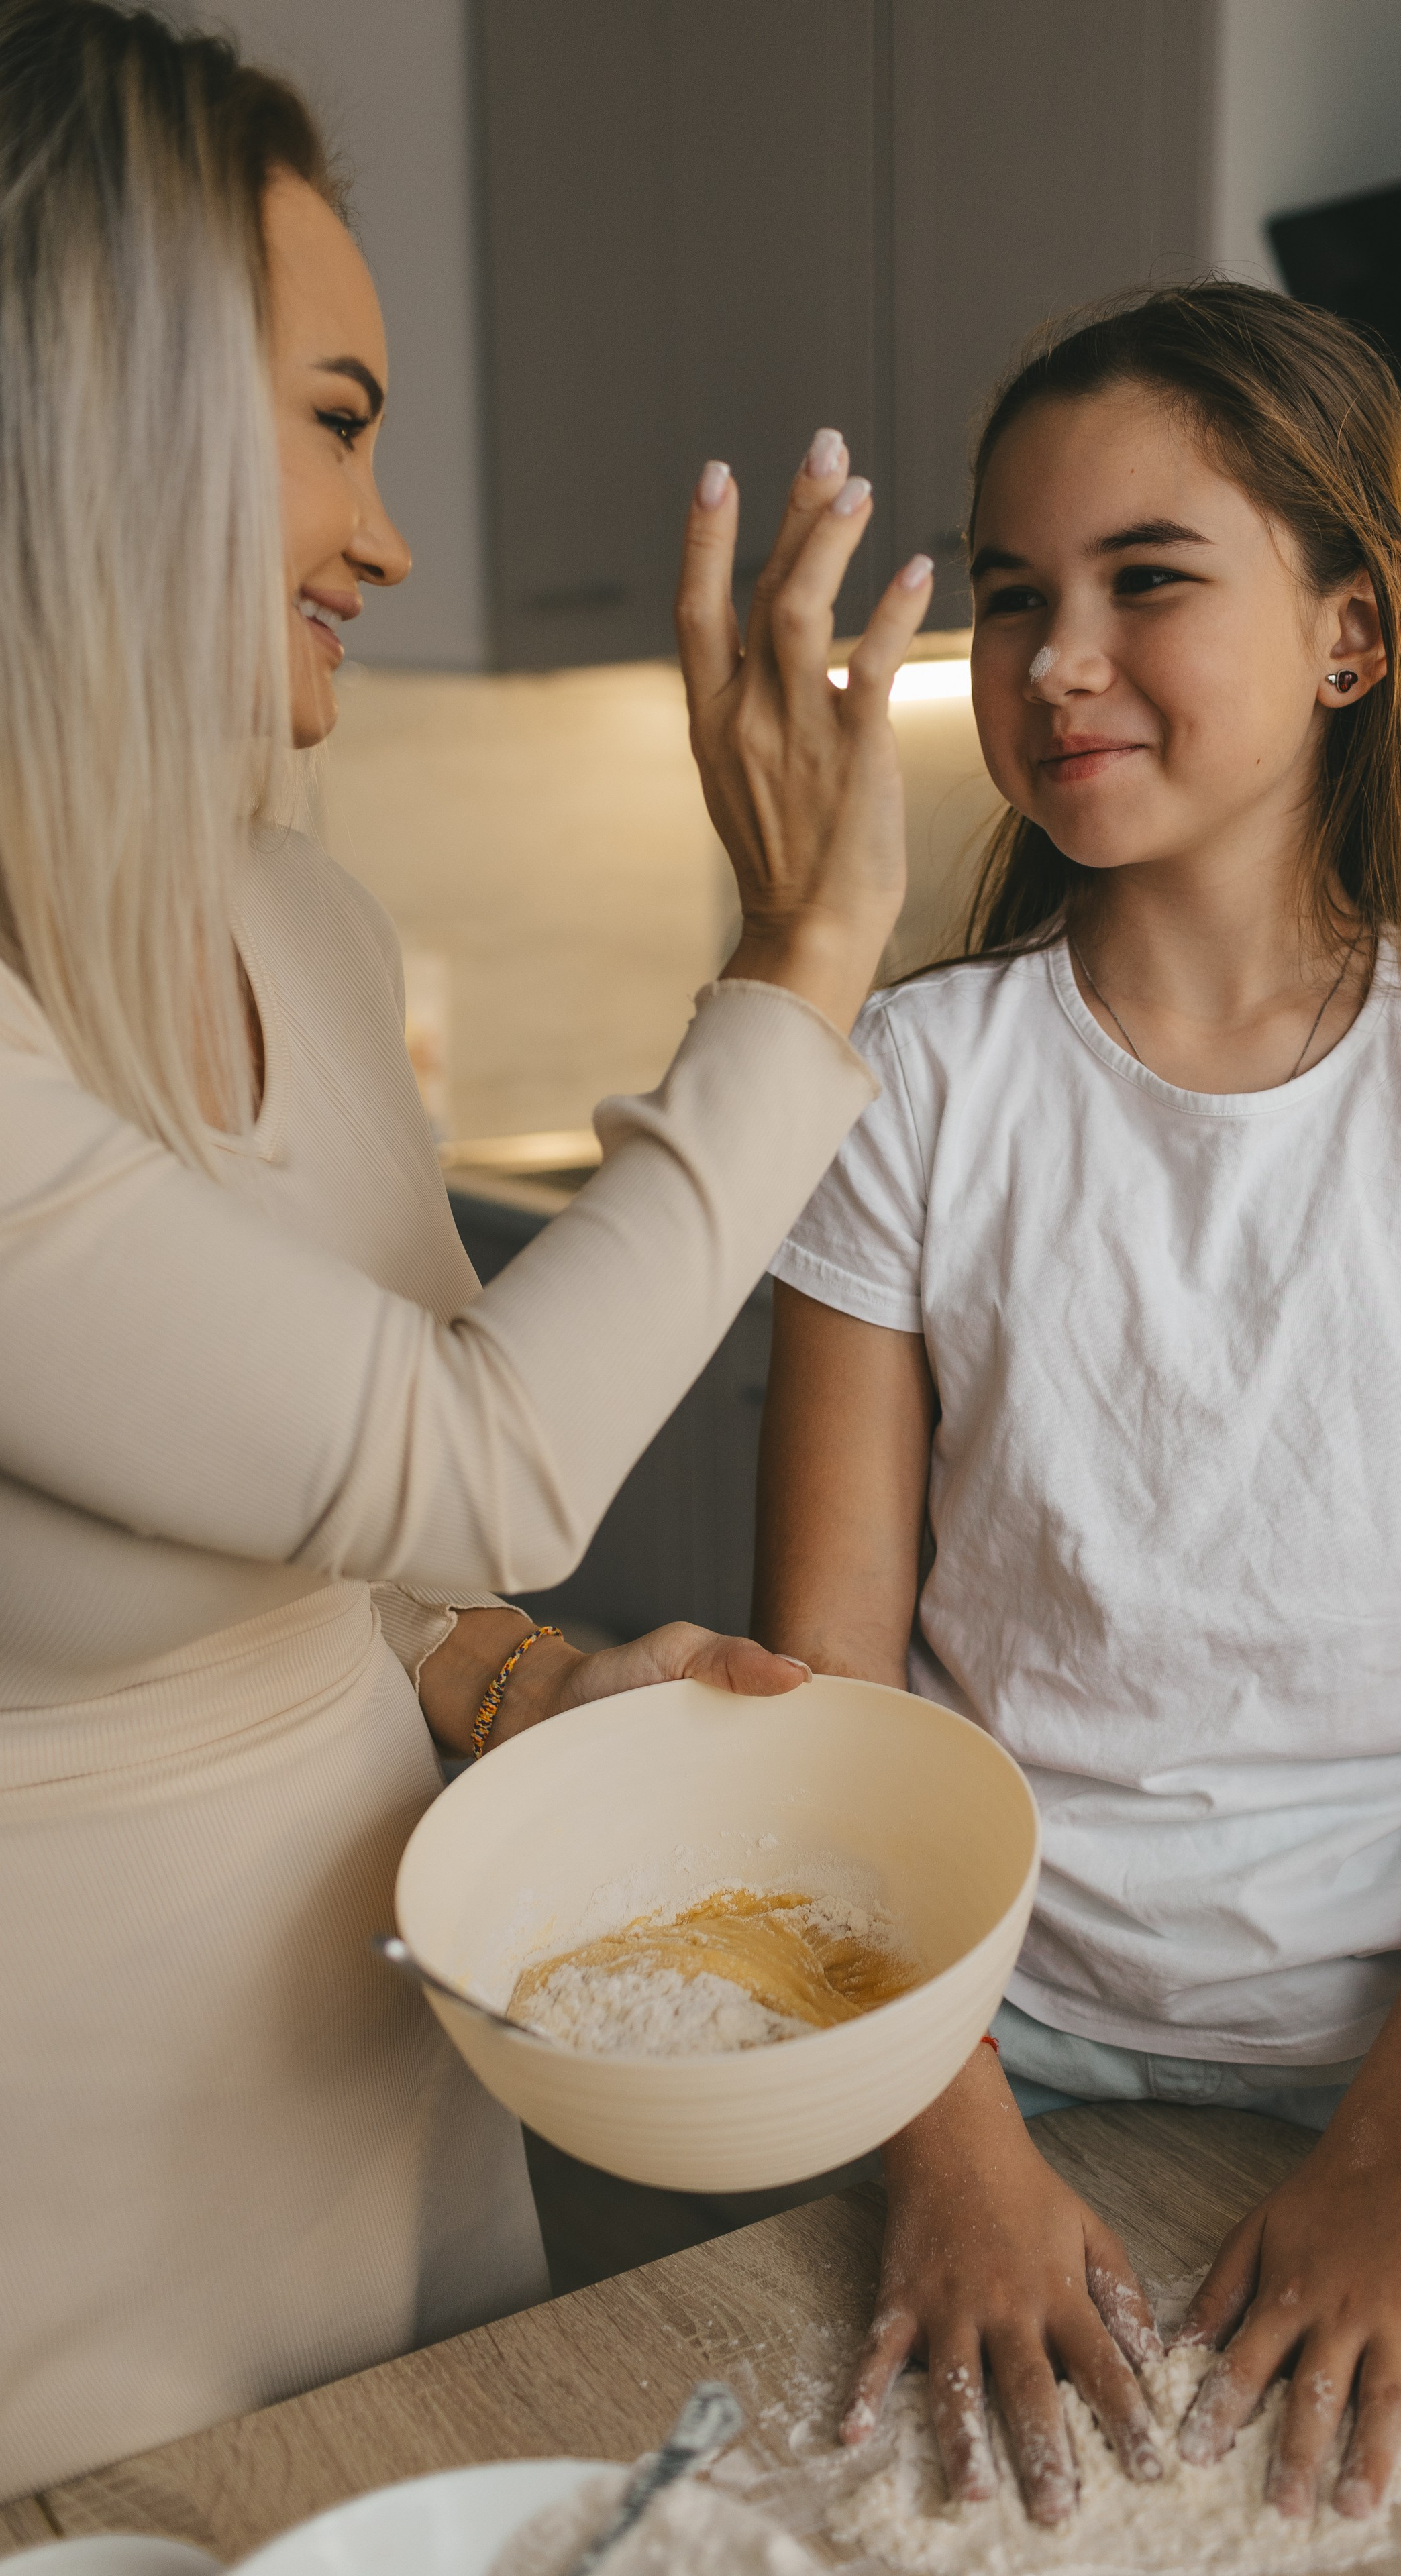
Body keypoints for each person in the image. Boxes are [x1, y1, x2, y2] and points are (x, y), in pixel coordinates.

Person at [0, 0, 933, 2498]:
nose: (387, 534)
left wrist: (537, 1690)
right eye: (333, 419)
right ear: (99, 418)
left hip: (403, 2155)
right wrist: (805, 952)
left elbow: (395, 1554)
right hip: (67, 2261)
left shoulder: (296, 922)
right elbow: (483, 1449)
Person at [755, 284, 1401, 2526]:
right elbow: (826, 1683)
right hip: (983, 2043)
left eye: (1145, 581)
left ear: (1352, 637)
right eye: (1012, 599)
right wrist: (958, 2138)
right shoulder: (905, 1084)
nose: (1055, 656)